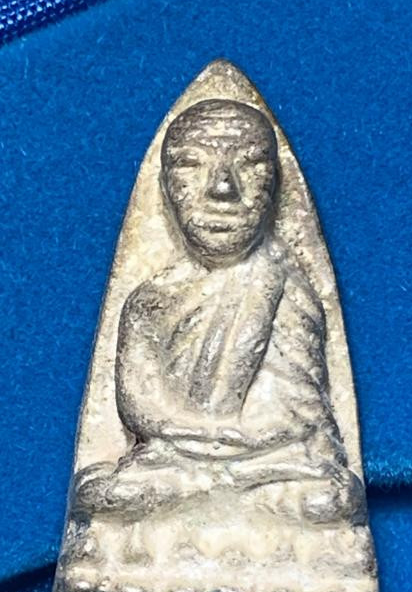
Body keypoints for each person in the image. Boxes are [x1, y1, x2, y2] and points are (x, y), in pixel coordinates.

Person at [74, 99, 365, 525]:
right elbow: (139, 407)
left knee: (328, 500)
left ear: (275, 184)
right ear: (166, 186)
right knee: (109, 495)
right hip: (175, 459)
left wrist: (248, 441)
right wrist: (205, 435)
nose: (224, 189)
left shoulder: (283, 287)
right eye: (192, 165)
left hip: (273, 462)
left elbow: (304, 414)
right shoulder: (149, 302)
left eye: (250, 164)